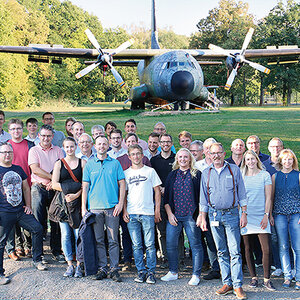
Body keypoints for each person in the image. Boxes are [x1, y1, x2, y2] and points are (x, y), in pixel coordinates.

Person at [199, 142, 247, 300]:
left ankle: (238, 285)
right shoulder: (206, 173)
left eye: (219, 153)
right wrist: (203, 217)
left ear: (224, 153)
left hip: (232, 214)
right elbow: (204, 198)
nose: (216, 156)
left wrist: (244, 213)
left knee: (235, 251)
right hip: (214, 216)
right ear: (209, 155)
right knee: (221, 251)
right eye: (213, 153)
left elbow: (242, 194)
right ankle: (227, 283)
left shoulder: (233, 170)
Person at [0, 142, 46, 286]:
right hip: (4, 212)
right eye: (4, 152)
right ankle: (0, 273)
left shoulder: (18, 169)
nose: (7, 154)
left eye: (9, 152)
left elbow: (26, 188)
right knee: (1, 242)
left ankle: (37, 260)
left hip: (20, 210)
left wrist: (28, 206)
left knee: (37, 229)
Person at [82, 136, 125, 282]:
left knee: (113, 240)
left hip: (112, 208)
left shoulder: (115, 163)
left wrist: (120, 203)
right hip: (95, 208)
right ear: (95, 145)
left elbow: (122, 184)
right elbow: (85, 187)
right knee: (99, 240)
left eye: (104, 144)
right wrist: (84, 208)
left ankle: (114, 269)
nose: (101, 146)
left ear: (108, 145)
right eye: (99, 144)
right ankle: (102, 268)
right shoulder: (89, 165)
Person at [161, 148, 203, 286]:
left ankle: (196, 274)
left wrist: (201, 215)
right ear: (177, 159)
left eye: (186, 157)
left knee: (195, 244)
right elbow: (166, 198)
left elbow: (202, 198)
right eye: (180, 157)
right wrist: (170, 214)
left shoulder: (197, 175)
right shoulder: (172, 175)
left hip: (192, 215)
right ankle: (173, 272)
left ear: (190, 158)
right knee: (171, 244)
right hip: (175, 215)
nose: (183, 159)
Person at [123, 144, 162, 284]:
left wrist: (157, 210)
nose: (136, 156)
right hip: (132, 213)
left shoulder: (150, 171)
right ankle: (141, 271)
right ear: (129, 156)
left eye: (138, 153)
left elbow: (157, 191)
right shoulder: (126, 173)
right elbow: (124, 193)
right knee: (137, 245)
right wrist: (125, 210)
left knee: (150, 244)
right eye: (133, 154)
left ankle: (151, 272)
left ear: (142, 155)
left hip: (147, 213)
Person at [28, 124, 65, 263]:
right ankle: (39, 253)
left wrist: (53, 182)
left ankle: (56, 251)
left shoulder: (58, 150)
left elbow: (61, 168)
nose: (46, 138)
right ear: (39, 136)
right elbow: (35, 169)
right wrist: (52, 179)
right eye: (43, 135)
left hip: (54, 189)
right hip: (38, 188)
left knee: (55, 220)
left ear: (52, 137)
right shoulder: (34, 150)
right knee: (38, 222)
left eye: (49, 136)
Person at [240, 150, 275, 291]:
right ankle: (254, 278)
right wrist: (243, 214)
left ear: (257, 160)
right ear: (245, 161)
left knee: (266, 249)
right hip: (246, 215)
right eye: (247, 159)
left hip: (261, 215)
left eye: (252, 159)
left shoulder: (264, 175)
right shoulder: (241, 176)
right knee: (247, 248)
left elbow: (269, 197)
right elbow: (240, 198)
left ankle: (267, 279)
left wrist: (266, 214)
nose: (250, 162)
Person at [52, 137, 86, 278]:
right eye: (67, 147)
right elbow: (54, 184)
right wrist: (70, 190)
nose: (70, 149)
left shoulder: (82, 162)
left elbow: (85, 184)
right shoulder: (59, 164)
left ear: (76, 147)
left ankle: (79, 264)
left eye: (72, 146)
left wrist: (76, 194)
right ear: (63, 148)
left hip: (77, 203)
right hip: (63, 204)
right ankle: (69, 264)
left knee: (79, 235)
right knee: (65, 234)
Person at [6, 119, 35, 260]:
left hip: (27, 186)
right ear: (9, 130)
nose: (16, 131)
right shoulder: (6, 146)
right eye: (13, 129)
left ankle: (28, 245)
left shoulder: (29, 145)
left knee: (27, 215)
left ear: (22, 130)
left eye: (18, 128)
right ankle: (16, 246)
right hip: (11, 189)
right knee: (12, 218)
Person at [272, 149, 300, 290]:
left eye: (290, 159)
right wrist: (270, 214)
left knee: (297, 247)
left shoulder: (298, 176)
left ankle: (299, 277)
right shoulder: (275, 177)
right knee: (283, 246)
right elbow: (271, 198)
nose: (287, 162)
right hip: (280, 215)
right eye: (284, 159)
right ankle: (287, 276)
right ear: (280, 161)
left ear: (293, 160)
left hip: (296, 214)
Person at [150, 133, 175, 268]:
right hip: (159, 197)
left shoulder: (176, 159)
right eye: (163, 142)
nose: (166, 144)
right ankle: (165, 257)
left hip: (174, 198)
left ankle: (179, 257)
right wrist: (160, 187)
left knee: (176, 228)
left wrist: (168, 188)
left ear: (171, 144)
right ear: (159, 144)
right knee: (161, 230)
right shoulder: (154, 160)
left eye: (168, 142)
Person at [263, 137, 284, 277]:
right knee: (275, 238)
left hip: (286, 205)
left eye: (278, 146)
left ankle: (292, 266)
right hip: (270, 205)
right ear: (269, 148)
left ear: (282, 147)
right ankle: (278, 265)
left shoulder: (288, 162)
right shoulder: (264, 165)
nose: (276, 149)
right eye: (273, 146)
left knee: (287, 238)